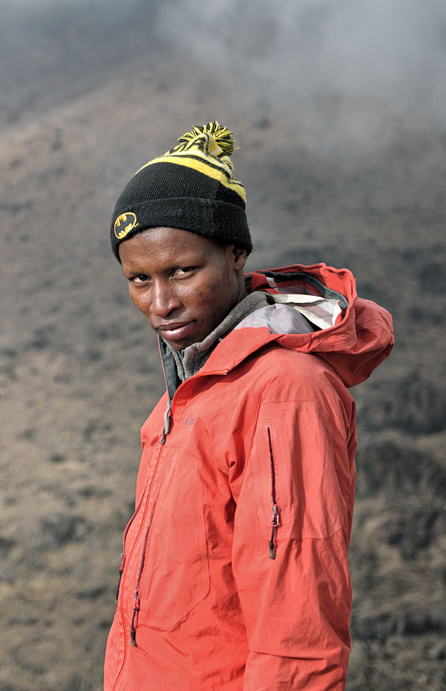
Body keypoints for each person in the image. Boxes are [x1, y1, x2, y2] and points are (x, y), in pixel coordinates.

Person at [102, 122, 393, 689]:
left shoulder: (286, 390)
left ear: (236, 253)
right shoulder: (188, 393)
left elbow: (298, 620)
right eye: (139, 279)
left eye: (182, 271)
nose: (160, 303)